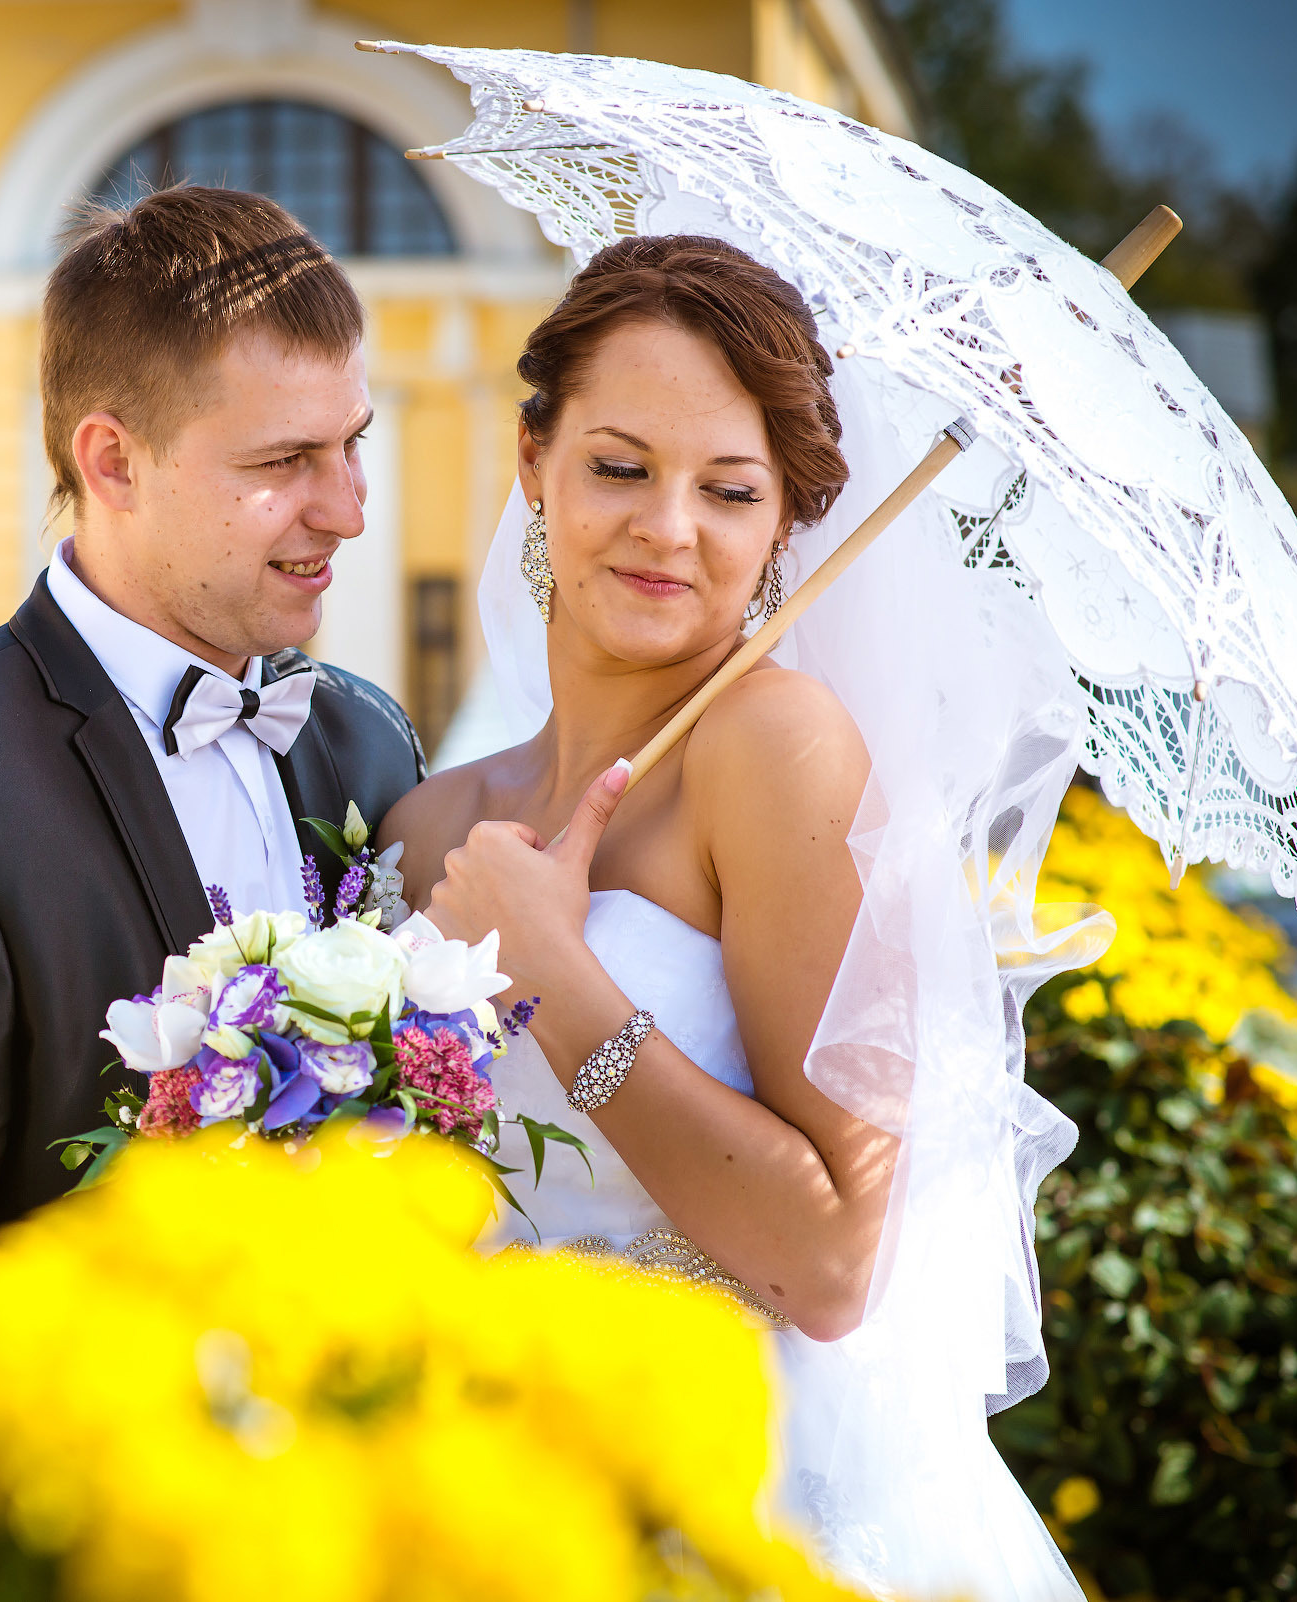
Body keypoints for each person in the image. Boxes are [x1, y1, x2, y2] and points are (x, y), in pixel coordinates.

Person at [383, 236, 1090, 1601]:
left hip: (742, 1497)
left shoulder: (777, 755)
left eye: (730, 489)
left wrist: (552, 971)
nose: (669, 528)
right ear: (533, 460)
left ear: (784, 523)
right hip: (484, 1491)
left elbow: (830, 1261)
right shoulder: (433, 820)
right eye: (620, 465)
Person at [0, 187, 426, 1240]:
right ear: (113, 461)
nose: (348, 509)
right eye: (282, 463)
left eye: (352, 442)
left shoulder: (368, 740)